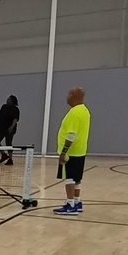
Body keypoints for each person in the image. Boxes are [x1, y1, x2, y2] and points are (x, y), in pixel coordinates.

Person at [54, 87, 91, 216]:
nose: (67, 96)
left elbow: (71, 135)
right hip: (81, 150)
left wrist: (64, 152)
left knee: (69, 178)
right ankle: (77, 202)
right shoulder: (85, 111)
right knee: (77, 178)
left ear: (75, 96)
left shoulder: (74, 113)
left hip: (71, 152)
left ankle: (70, 205)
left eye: (69, 94)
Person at [0, 96, 20, 165]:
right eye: (7, 99)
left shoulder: (15, 109)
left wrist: (11, 127)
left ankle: (10, 159)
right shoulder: (3, 107)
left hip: (9, 129)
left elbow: (15, 119)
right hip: (0, 127)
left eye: (9, 100)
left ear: (13, 101)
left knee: (8, 143)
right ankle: (3, 155)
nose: (7, 100)